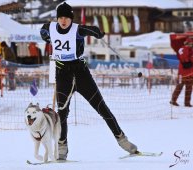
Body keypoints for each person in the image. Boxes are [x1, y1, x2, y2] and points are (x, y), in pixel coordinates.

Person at [40, 2, 138, 160]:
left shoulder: (77, 30)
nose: (63, 21)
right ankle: (62, 146)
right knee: (62, 114)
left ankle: (123, 140)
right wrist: (45, 36)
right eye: (61, 18)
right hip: (62, 73)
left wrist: (97, 32)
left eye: (67, 18)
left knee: (102, 108)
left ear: (71, 19)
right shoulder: (50, 27)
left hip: (80, 73)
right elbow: (43, 31)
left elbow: (90, 30)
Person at [170, 37, 193, 107]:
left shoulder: (180, 49)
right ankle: (187, 103)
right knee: (188, 88)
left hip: (181, 72)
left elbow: (181, 58)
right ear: (189, 43)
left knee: (179, 87)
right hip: (189, 73)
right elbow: (190, 59)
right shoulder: (189, 50)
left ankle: (173, 100)